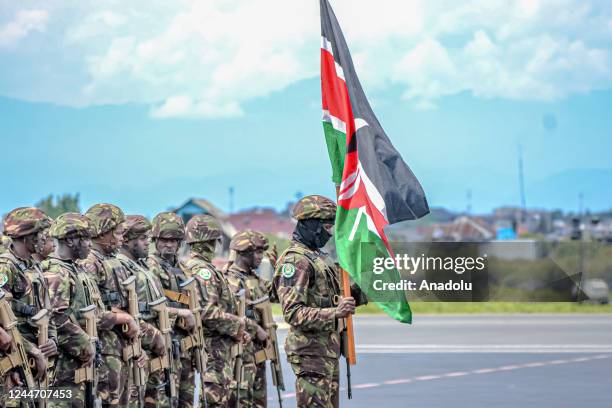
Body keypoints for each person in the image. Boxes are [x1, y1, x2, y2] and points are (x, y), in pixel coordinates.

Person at [274, 195, 365, 408]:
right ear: (311, 225)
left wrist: (367, 286)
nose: (330, 233)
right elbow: (293, 313)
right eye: (326, 227)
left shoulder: (319, 258)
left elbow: (335, 298)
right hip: (311, 355)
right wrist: (335, 313)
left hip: (327, 352)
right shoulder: (296, 261)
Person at [180, 214, 250, 408]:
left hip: (212, 350)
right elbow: (206, 312)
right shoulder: (204, 272)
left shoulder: (192, 267)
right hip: (213, 351)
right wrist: (237, 324)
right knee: (215, 401)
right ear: (213, 242)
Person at [81, 203, 141, 408]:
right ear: (102, 233)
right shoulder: (90, 263)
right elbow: (91, 314)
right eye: (117, 233)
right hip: (105, 352)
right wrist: (125, 318)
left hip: (121, 349)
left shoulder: (113, 262)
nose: (122, 238)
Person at [42, 213, 103, 408]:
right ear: (70, 240)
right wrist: (85, 345)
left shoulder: (74, 269)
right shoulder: (56, 272)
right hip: (62, 371)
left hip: (77, 369)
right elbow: (56, 320)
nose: (90, 244)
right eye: (85, 239)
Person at [116, 215, 170, 408]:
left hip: (154, 350)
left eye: (148, 238)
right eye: (142, 238)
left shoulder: (143, 267)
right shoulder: (120, 267)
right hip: (137, 349)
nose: (148, 243)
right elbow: (122, 312)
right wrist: (154, 336)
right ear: (127, 240)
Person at [0, 207, 57, 390]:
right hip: (15, 360)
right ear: (27, 236)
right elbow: (5, 324)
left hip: (36, 357)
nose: (44, 238)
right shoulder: (6, 267)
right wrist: (31, 350)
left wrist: (52, 340)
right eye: (40, 233)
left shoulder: (34, 267)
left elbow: (47, 311)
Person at [147, 212, 197, 408]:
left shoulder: (184, 270)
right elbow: (150, 308)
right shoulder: (150, 269)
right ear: (156, 240)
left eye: (174, 240)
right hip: (162, 346)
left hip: (183, 349)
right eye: (164, 240)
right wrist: (181, 315)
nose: (169, 244)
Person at [225, 230, 275, 408]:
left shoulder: (255, 279)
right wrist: (256, 329)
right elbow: (231, 316)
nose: (261, 257)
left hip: (257, 353)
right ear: (244, 252)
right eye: (258, 252)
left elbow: (273, 294)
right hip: (241, 353)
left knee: (258, 401)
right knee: (241, 399)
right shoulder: (231, 280)